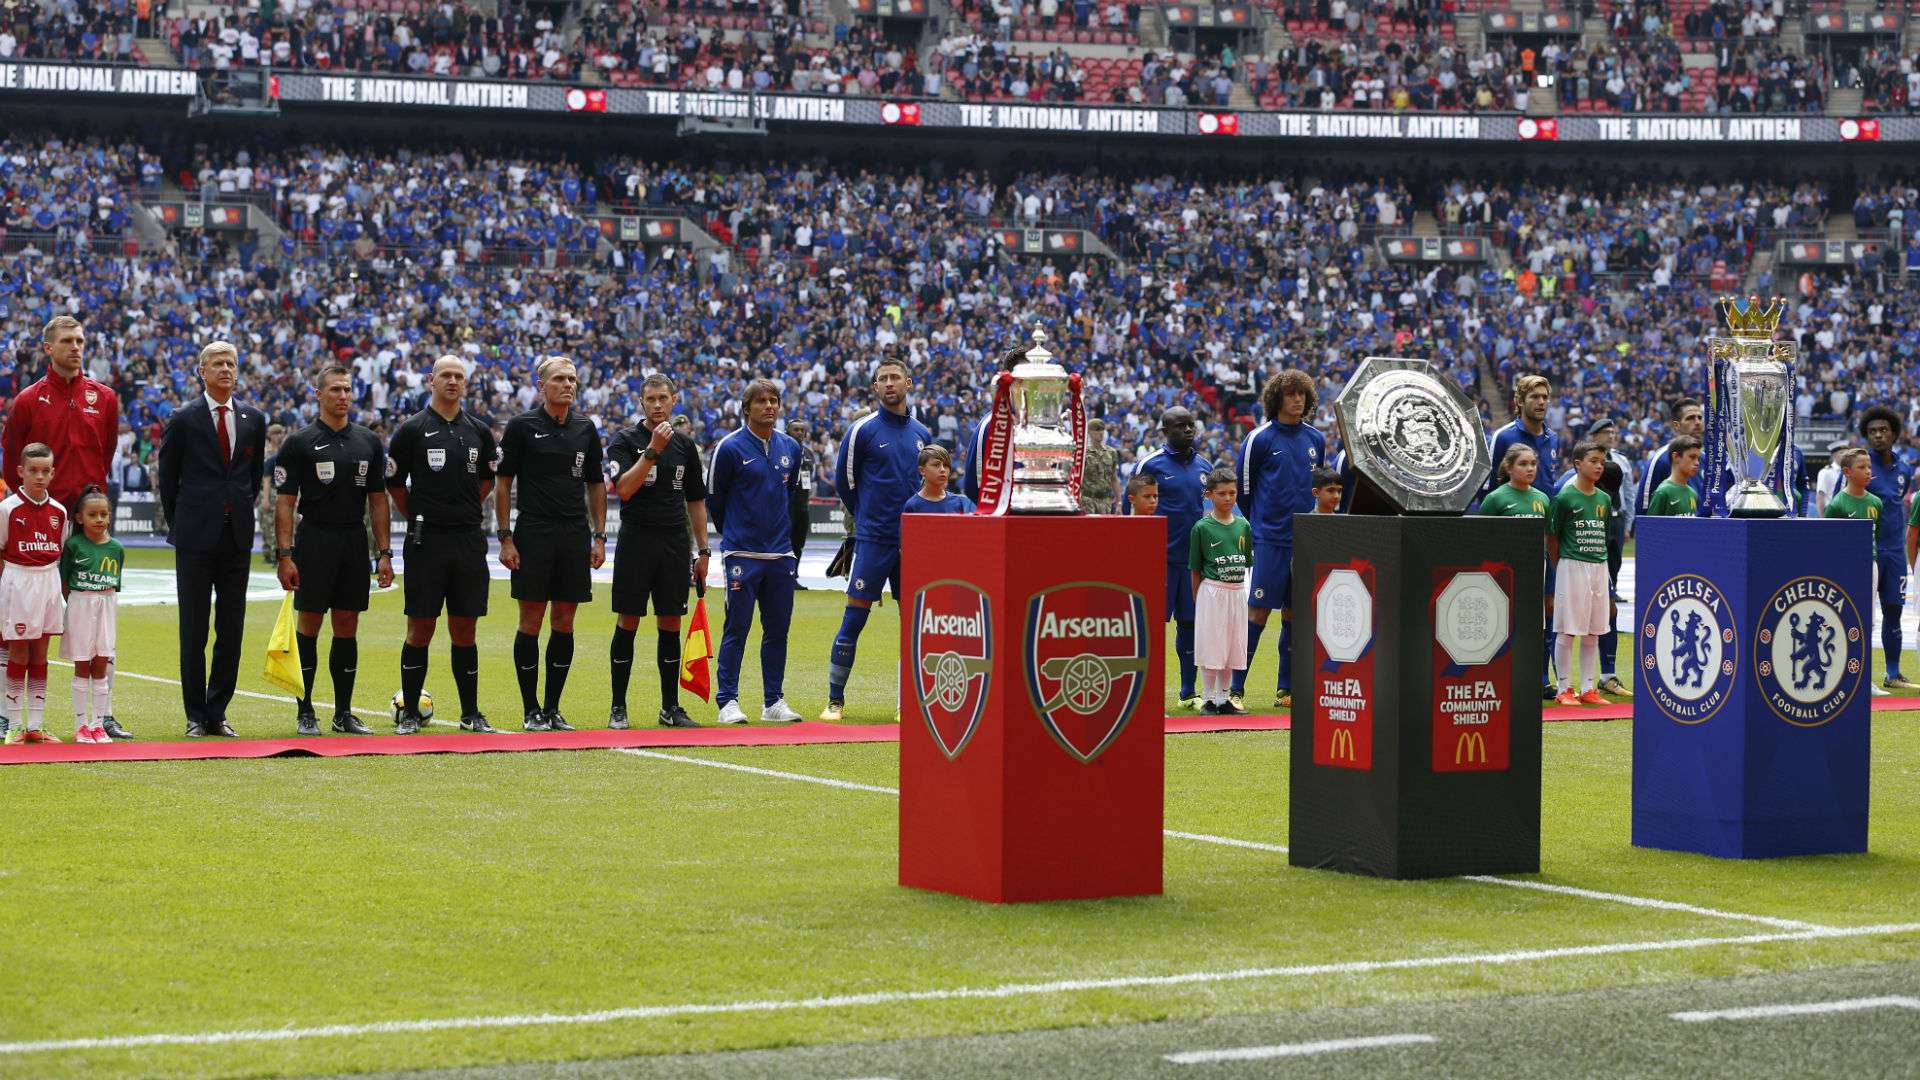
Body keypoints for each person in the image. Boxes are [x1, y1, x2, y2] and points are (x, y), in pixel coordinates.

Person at [4, 316, 123, 739]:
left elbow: (104, 453)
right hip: (40, 518)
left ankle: (101, 715)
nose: (76, 347)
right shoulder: (27, 400)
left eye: (81, 341)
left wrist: (90, 509)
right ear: (47, 347)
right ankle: (10, 714)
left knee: (98, 619)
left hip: (89, 521)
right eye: (67, 341)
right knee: (20, 620)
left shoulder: (104, 397)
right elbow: (12, 462)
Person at [274, 363, 394, 736]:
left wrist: (385, 552)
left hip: (353, 541)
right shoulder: (299, 442)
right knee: (309, 625)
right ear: (318, 394)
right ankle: (305, 710)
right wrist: (285, 554)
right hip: (315, 540)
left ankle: (343, 712)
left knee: (347, 625)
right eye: (335, 390)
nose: (343, 396)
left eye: (347, 390)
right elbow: (285, 502)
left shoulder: (368, 442)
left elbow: (378, 501)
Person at [386, 355, 499, 735]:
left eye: (459, 376)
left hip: (468, 539)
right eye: (446, 375)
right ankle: (411, 714)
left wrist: (463, 508)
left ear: (465, 383)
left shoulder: (479, 431)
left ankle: (471, 713)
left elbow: (487, 481)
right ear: (430, 380)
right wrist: (418, 513)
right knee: (420, 627)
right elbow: (395, 485)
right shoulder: (411, 430)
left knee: (465, 629)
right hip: (425, 541)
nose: (452, 381)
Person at [159, 341, 267, 739]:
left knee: (232, 628)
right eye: (217, 364)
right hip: (194, 537)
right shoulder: (183, 418)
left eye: (231, 364)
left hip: (236, 535)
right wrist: (184, 522)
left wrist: (234, 509)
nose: (226, 369)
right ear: (201, 371)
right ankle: (195, 713)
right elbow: (168, 481)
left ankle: (218, 711)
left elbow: (252, 478)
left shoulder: (252, 418)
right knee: (194, 628)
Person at [496, 356, 608, 732]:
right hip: (534, 532)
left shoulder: (585, 428)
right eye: (559, 379)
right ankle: (531, 710)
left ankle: (553, 707)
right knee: (531, 621)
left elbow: (595, 484)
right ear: (541, 385)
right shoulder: (521, 426)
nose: (568, 385)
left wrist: (599, 535)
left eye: (572, 379)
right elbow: (503, 483)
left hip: (574, 534)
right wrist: (506, 537)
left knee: (564, 621)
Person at [821, 356, 931, 723]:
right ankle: (835, 701)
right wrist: (868, 520)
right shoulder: (861, 431)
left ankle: (907, 703)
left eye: (895, 377)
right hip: (873, 540)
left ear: (908, 383)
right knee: (854, 618)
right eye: (882, 378)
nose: (888, 384)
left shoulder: (922, 434)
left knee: (914, 624)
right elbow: (845, 483)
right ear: (874, 387)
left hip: (915, 544)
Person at [606, 374, 710, 730]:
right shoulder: (625, 440)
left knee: (670, 622)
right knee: (628, 621)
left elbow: (695, 501)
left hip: (674, 543)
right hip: (636, 541)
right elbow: (624, 490)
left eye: (663, 398)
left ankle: (670, 707)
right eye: (650, 399)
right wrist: (652, 451)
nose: (657, 405)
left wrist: (704, 551)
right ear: (641, 402)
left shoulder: (686, 446)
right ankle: (618, 707)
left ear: (674, 400)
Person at [707, 379, 805, 725]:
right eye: (761, 401)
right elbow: (715, 501)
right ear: (746, 408)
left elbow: (789, 493)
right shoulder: (729, 448)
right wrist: (737, 534)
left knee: (778, 630)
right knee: (737, 627)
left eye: (774, 400)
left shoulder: (791, 448)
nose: (769, 406)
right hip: (742, 554)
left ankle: (773, 700)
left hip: (780, 554)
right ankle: (728, 700)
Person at [1233, 370, 1323, 711]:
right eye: (1290, 394)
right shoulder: (1260, 438)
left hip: (1305, 539)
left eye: (1302, 394)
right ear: (1277, 399)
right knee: (1257, 613)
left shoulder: (1316, 439)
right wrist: (1262, 525)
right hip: (1270, 539)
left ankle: (1285, 689)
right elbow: (1244, 490)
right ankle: (1235, 689)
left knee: (1295, 614)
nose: (1297, 400)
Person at [1132, 406, 1214, 709]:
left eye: (1191, 425)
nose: (1188, 431)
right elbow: (1134, 509)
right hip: (1159, 561)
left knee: (1190, 625)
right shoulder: (1150, 465)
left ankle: (1188, 691)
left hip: (1192, 563)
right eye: (1180, 426)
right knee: (1151, 627)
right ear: (1165, 433)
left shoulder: (1205, 466)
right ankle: (1144, 691)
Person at [0, 444, 67, 744]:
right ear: (20, 472)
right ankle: (14, 725)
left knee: (40, 654)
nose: (39, 476)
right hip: (18, 581)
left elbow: (59, 551)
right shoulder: (7, 509)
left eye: (45, 471)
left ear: (53, 473)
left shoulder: (60, 512)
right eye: (33, 471)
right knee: (18, 652)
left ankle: (36, 725)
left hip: (48, 582)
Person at [1481, 444, 1553, 696]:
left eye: (1533, 464)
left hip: (1536, 571)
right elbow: (1482, 538)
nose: (1530, 468)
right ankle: (1500, 676)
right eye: (1523, 464)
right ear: (1508, 467)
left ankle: (1536, 679)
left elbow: (1548, 538)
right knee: (1504, 625)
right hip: (1504, 574)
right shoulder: (1496, 498)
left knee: (1535, 627)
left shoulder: (1542, 499)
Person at [1549, 440, 1613, 707]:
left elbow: (1606, 534)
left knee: (1593, 631)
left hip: (1599, 565)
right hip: (1572, 565)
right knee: (1567, 630)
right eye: (1593, 461)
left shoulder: (1605, 499)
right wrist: (1560, 565)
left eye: (1602, 461)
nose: (1599, 466)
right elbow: (1552, 537)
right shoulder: (1564, 498)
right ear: (1577, 464)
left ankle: (1588, 688)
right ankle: (1564, 688)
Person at [1573, 417, 1633, 698]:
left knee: (1607, 611)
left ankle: (1606, 676)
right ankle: (1557, 683)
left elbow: (1627, 497)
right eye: (1604, 433)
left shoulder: (1620, 464)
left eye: (1612, 431)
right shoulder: (1569, 485)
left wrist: (1627, 524)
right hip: (1575, 559)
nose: (1610, 436)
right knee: (1565, 620)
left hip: (1607, 547)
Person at [1858, 406, 1916, 690]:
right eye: (1872, 432)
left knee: (1893, 610)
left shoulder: (1904, 468)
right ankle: (1859, 676)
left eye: (1883, 431)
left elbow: (1898, 506)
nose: (1878, 435)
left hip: (1894, 553)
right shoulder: (1860, 466)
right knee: (1861, 615)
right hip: (1865, 554)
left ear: (1894, 433)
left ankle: (1892, 674)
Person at [60, 486, 121, 744]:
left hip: (106, 605)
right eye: (93, 514)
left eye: (104, 514)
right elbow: (64, 582)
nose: (100, 519)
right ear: (79, 517)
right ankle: (81, 725)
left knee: (101, 663)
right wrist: (77, 603)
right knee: (82, 664)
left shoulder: (116, 548)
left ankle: (98, 725)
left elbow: (114, 584)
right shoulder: (73, 545)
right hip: (80, 604)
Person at [1828, 447, 1889, 698]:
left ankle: (1865, 678)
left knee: (1869, 622)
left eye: (1869, 467)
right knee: (1843, 621)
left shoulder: (1875, 503)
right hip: (1844, 568)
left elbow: (1877, 536)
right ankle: (1840, 675)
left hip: (1869, 565)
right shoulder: (1837, 504)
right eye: (1862, 467)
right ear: (1847, 472)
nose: (1868, 472)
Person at [1190, 467, 1252, 716]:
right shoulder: (1202, 528)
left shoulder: (1243, 526)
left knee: (1231, 646)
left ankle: (1224, 698)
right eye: (1222, 493)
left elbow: (1247, 562)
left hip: (1236, 591)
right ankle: (1207, 699)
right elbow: (1195, 568)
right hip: (1212, 591)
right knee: (1212, 645)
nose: (1228, 498)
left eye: (1232, 493)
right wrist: (1198, 598)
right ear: (1209, 495)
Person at [1485, 375, 1563, 499]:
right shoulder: (1502, 437)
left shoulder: (1554, 438)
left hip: (1545, 515)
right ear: (1520, 401)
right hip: (1513, 516)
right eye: (1535, 396)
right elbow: (1490, 487)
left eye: (1545, 397)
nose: (1541, 402)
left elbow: (1550, 482)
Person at [1637, 398, 1706, 516]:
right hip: (1668, 532)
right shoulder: (1660, 460)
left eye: (1699, 417)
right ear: (1676, 426)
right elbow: (1643, 506)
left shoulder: (1706, 459)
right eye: (1690, 418)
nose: (1698, 422)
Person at [902, 445, 976, 514]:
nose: (942, 469)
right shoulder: (912, 506)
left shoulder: (957, 502)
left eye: (946, 465)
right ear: (922, 470)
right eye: (936, 465)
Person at [1646, 435, 1703, 517]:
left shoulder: (1693, 493)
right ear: (1676, 457)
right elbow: (1650, 527)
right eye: (1692, 457)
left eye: (1698, 458)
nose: (1697, 463)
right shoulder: (1663, 492)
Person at [257, 423, 287, 566]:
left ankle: (275, 554)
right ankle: (268, 552)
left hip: (278, 488)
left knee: (277, 523)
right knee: (265, 523)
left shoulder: (285, 450)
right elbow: (259, 473)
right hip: (264, 489)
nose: (279, 435)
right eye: (276, 433)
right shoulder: (264, 451)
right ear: (270, 435)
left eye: (280, 433)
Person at [1080, 418, 1121, 514]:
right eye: (1097, 430)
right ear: (1089, 432)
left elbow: (1114, 478)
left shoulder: (1111, 452)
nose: (1101, 433)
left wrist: (1119, 501)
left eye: (1102, 430)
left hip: (1105, 501)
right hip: (1087, 500)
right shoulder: (1083, 453)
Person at [788, 420, 815, 565]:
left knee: (799, 542)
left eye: (802, 430)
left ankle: (794, 576)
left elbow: (810, 477)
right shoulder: (782, 450)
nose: (799, 432)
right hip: (786, 504)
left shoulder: (809, 453)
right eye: (796, 429)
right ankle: (782, 576)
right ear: (788, 432)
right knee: (785, 542)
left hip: (803, 504)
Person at [1814, 438, 1851, 517]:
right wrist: (1822, 518)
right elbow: (1820, 496)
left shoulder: (1851, 472)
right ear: (1834, 455)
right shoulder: (1825, 472)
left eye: (1847, 453)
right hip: (1830, 512)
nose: (1845, 455)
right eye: (1842, 453)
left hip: (1848, 513)